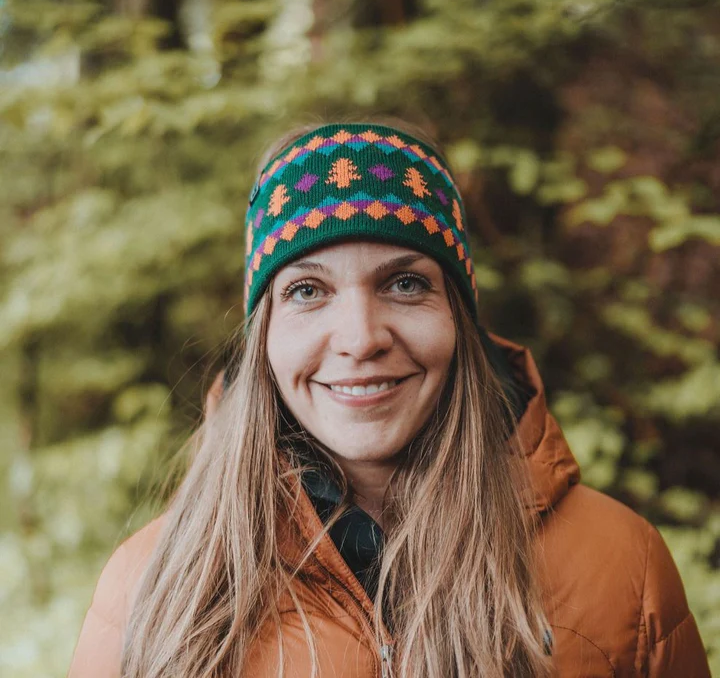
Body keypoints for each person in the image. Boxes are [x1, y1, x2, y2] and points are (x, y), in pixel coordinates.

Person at [68, 120, 711, 678]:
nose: (360, 338)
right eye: (307, 290)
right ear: (264, 335)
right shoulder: (149, 588)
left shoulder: (624, 568)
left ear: (458, 317)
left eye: (404, 283)